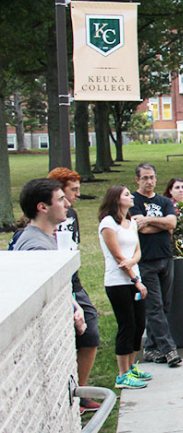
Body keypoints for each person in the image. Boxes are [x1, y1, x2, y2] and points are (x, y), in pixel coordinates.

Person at [12, 179, 88, 360]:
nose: (68, 204)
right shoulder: (36, 248)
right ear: (43, 207)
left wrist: (75, 307)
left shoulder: (45, 239)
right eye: (61, 199)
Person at [48, 168, 101, 411]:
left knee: (90, 332)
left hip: (73, 280)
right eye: (73, 190)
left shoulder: (73, 214)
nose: (78, 195)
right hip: (56, 283)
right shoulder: (47, 219)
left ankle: (80, 391)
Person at [97, 185, 154, 390]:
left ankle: (131, 367)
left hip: (134, 278)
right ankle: (122, 376)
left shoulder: (130, 223)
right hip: (118, 282)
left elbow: (137, 251)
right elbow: (118, 256)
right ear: (116, 199)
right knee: (126, 325)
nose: (131, 197)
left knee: (139, 324)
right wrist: (135, 278)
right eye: (127, 194)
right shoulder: (108, 224)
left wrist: (133, 264)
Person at [130, 163, 182, 368]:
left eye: (152, 177)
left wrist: (150, 220)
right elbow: (140, 230)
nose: (149, 182)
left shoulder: (163, 201)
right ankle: (169, 350)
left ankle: (151, 348)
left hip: (165, 257)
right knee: (154, 306)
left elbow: (172, 223)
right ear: (138, 180)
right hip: (145, 260)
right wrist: (162, 225)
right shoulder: (133, 201)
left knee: (165, 305)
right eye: (145, 178)